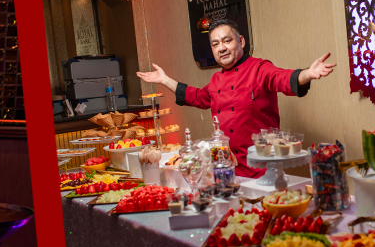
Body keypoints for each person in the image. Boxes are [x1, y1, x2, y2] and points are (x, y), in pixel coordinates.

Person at [137, 23, 337, 179]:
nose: (221, 48)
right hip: (225, 170)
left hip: (261, 171)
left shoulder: (259, 68)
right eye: (215, 44)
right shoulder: (216, 80)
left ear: (241, 41)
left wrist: (307, 74)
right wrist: (165, 80)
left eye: (227, 41)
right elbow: (197, 97)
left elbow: (282, 78)